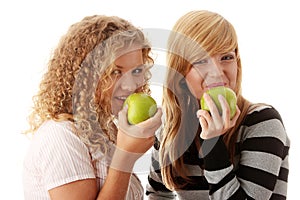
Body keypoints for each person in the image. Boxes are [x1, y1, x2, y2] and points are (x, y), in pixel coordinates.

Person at [146, 10, 290, 199]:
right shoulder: (170, 126)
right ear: (180, 73)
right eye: (201, 61)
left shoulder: (262, 122)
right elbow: (157, 194)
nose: (217, 72)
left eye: (226, 57)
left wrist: (212, 143)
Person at [22, 15, 162, 200]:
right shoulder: (60, 136)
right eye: (115, 72)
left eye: (136, 71)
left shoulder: (107, 131)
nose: (130, 86)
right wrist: (125, 157)